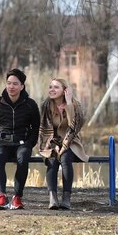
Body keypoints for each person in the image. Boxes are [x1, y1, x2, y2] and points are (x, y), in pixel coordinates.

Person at [0, 68, 41, 210]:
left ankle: (17, 197)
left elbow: (36, 127)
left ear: (22, 86)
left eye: (15, 84)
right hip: (3, 142)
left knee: (23, 157)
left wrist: (29, 143)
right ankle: (1, 197)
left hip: (22, 143)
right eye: (8, 83)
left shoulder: (30, 104)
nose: (11, 87)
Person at [38, 78, 88, 210]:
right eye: (50, 87)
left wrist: (69, 104)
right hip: (51, 142)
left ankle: (66, 198)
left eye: (56, 87)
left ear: (64, 90)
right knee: (52, 160)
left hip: (71, 141)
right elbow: (45, 131)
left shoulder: (76, 105)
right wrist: (54, 145)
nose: (52, 90)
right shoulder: (46, 106)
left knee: (65, 158)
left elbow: (75, 126)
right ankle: (52, 198)